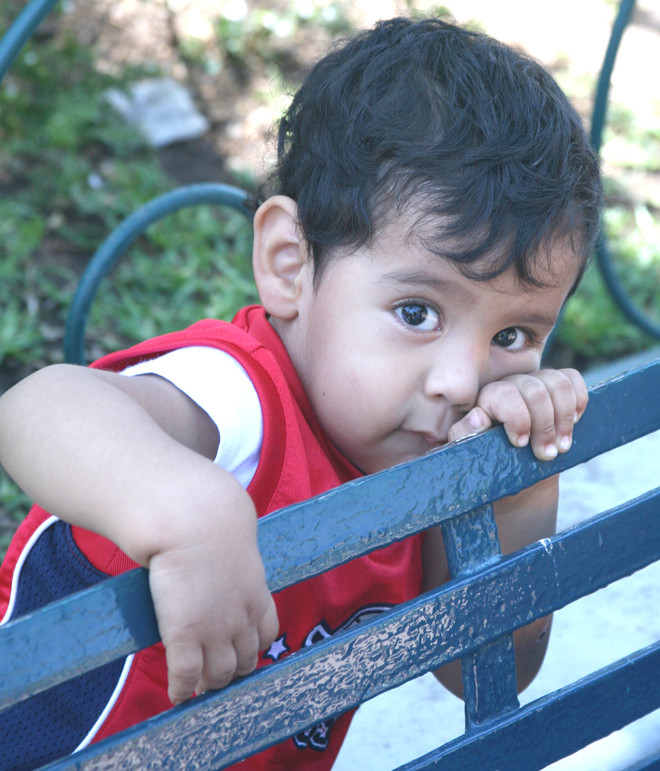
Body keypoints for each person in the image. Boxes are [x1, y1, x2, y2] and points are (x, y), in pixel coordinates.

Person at [0, 15, 600, 771]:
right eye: (417, 313)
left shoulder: (420, 452)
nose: (461, 380)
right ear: (289, 263)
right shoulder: (239, 400)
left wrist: (511, 495)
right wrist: (188, 511)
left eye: (512, 336)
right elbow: (38, 406)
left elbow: (491, 669)